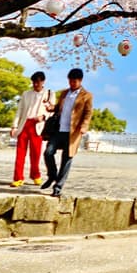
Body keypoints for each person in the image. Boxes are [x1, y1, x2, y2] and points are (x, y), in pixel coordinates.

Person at [42, 68, 93, 198]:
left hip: (73, 132)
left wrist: (84, 126)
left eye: (74, 81)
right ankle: (52, 175)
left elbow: (88, 113)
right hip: (59, 129)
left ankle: (58, 187)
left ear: (80, 81)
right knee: (48, 152)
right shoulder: (64, 93)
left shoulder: (86, 95)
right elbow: (59, 107)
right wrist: (51, 108)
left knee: (67, 159)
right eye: (70, 81)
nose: (72, 83)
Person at [10, 71, 54, 187]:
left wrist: (43, 117)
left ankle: (35, 174)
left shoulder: (49, 94)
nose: (35, 85)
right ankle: (18, 177)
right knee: (20, 153)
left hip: (38, 126)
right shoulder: (26, 94)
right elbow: (19, 111)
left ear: (43, 82)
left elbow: (52, 111)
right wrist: (14, 126)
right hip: (25, 124)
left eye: (38, 82)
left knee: (36, 153)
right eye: (34, 82)